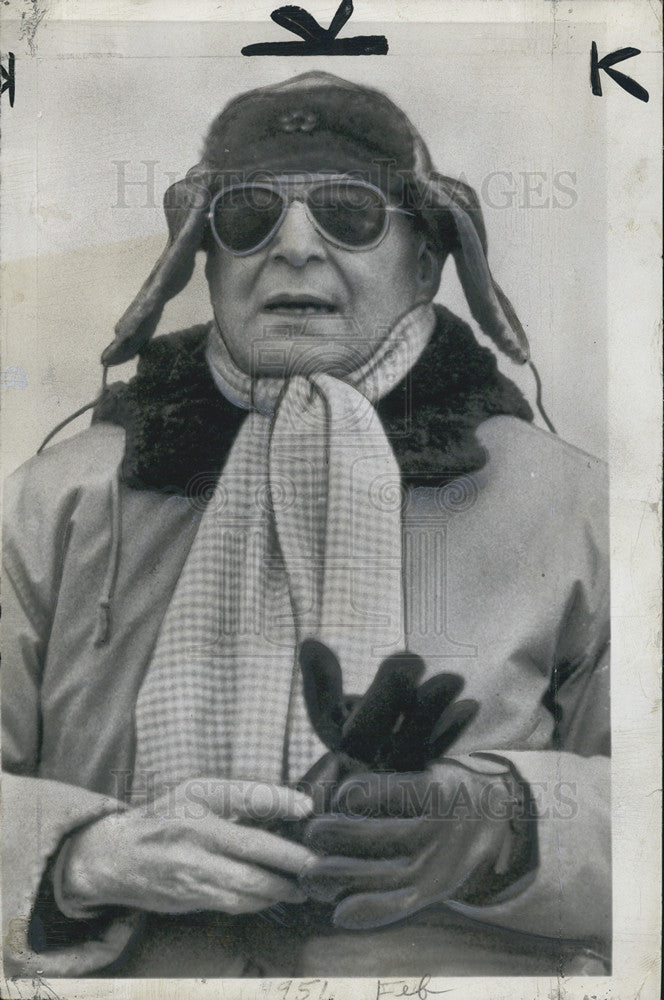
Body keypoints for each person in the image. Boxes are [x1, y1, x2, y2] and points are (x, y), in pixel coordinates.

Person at [2, 71, 610, 979]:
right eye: (246, 216)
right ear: (204, 261)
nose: (292, 248)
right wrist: (79, 859)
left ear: (427, 261)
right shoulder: (56, 502)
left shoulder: (577, 510)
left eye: (348, 213)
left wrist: (506, 825)